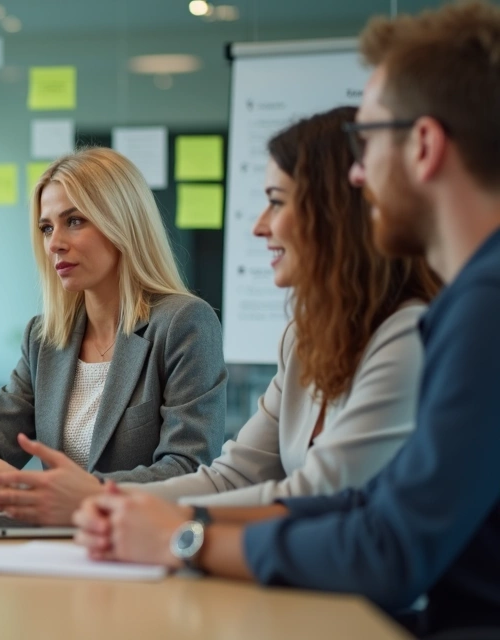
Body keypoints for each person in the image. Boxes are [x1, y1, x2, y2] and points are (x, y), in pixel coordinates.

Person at [73, 2, 500, 635]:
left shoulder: (476, 312)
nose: (358, 174)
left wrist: (186, 538)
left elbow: (386, 547)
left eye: (368, 141)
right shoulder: (467, 305)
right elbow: (364, 509)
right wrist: (142, 514)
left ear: (425, 145)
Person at [38, 107, 437, 511]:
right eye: (46, 227)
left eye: (276, 203)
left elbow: (317, 496)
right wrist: (98, 498)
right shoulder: (303, 341)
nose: (259, 226)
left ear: (335, 215)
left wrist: (160, 525)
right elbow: (234, 476)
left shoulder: (410, 336)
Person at [0, 146, 227, 526]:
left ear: (122, 223)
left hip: (138, 542)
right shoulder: (44, 337)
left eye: (74, 221)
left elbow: (187, 468)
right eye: (46, 227)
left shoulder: (184, 323)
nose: (55, 242)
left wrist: (72, 495)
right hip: (56, 545)